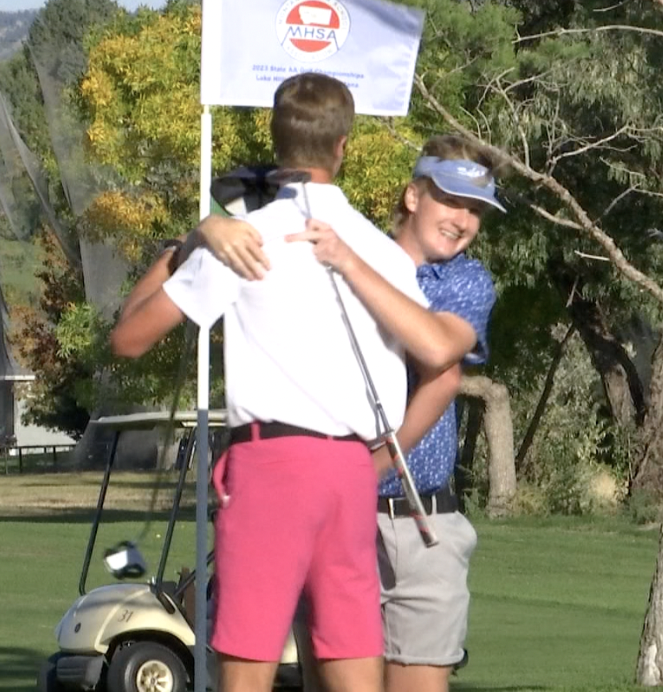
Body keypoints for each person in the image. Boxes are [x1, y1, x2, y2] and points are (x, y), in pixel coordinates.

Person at [109, 73, 465, 692]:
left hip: (270, 466)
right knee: (352, 661)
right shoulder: (382, 253)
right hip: (352, 472)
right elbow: (437, 360)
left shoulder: (242, 241)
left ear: (276, 146)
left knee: (247, 667)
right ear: (342, 146)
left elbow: (128, 338)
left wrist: (192, 239)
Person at [201, 134, 503, 692]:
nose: (463, 220)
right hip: (330, 517)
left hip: (420, 524)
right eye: (452, 201)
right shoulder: (339, 244)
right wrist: (212, 224)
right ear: (414, 197)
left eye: (476, 210)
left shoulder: (463, 281)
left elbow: (441, 360)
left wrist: (376, 466)